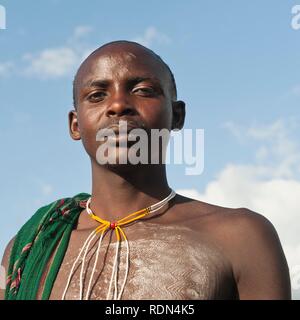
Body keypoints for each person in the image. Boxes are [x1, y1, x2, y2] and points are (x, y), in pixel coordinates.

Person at [0, 41, 291, 300]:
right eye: (97, 95)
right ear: (75, 125)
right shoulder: (31, 247)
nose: (117, 105)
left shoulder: (240, 237)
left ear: (177, 116)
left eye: (142, 91)